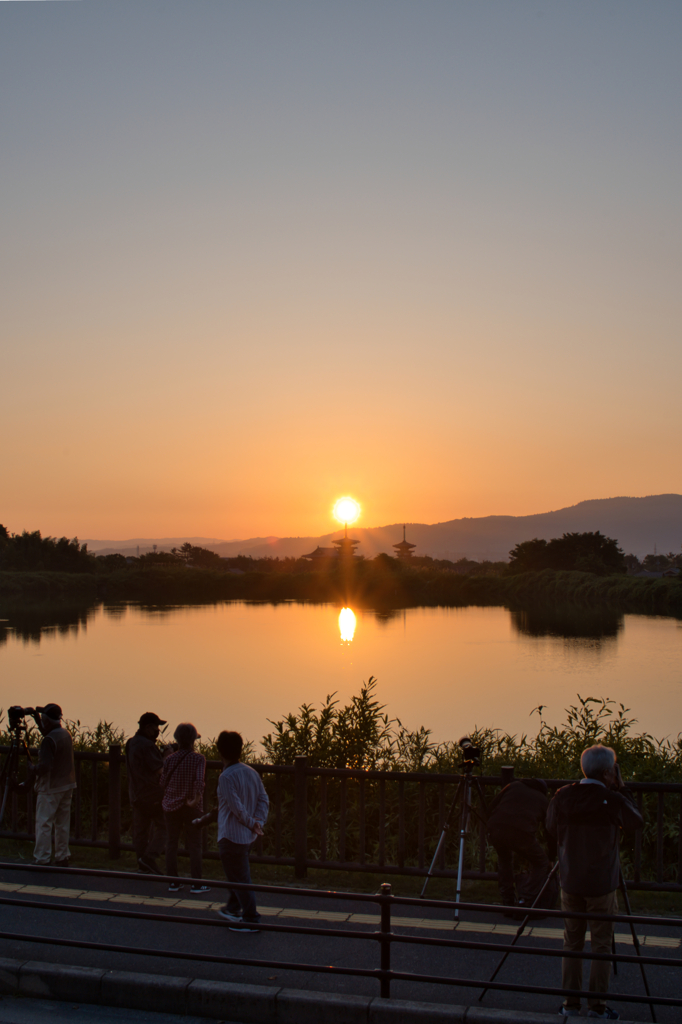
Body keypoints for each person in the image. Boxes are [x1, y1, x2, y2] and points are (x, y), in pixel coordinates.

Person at [546, 744, 643, 1020]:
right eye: (614, 770)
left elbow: (551, 827)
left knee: (572, 943)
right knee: (601, 944)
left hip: (571, 880)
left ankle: (570, 1005)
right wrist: (622, 788)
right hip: (602, 883)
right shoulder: (611, 799)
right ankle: (597, 1007)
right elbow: (635, 822)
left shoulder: (562, 796)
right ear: (607, 773)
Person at [193, 730, 268, 932]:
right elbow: (263, 799)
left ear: (220, 751)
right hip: (248, 837)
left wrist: (252, 822)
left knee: (241, 878)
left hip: (231, 835)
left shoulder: (226, 777)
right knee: (237, 873)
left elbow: (236, 808)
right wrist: (259, 821)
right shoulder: (251, 772)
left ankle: (251, 919)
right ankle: (233, 908)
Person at [486, 777, 552, 914]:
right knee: (541, 862)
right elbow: (549, 831)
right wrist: (552, 855)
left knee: (504, 859)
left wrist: (491, 825)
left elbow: (491, 805)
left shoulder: (513, 785)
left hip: (496, 828)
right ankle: (525, 899)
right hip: (522, 834)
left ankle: (507, 900)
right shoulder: (543, 800)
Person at [160, 722, 210, 894]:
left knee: (171, 843)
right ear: (193, 741)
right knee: (195, 845)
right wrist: (195, 800)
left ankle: (173, 882)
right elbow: (199, 781)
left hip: (171, 805)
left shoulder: (169, 759)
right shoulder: (199, 759)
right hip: (191, 806)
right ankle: (196, 883)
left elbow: (162, 782)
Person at [29, 704, 76, 867]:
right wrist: (36, 719)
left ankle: (42, 857)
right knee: (62, 823)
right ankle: (62, 856)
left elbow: (46, 766)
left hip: (50, 787)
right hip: (67, 784)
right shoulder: (65, 734)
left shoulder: (49, 740)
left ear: (47, 720)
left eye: (42, 719)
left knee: (44, 822)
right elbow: (48, 734)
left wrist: (33, 769)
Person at [125, 712, 168, 874]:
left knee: (141, 830)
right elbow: (160, 769)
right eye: (156, 727)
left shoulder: (131, 743)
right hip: (152, 794)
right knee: (164, 826)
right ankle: (149, 858)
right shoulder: (147, 746)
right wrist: (167, 756)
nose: (158, 730)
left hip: (136, 793)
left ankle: (142, 863)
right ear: (148, 727)